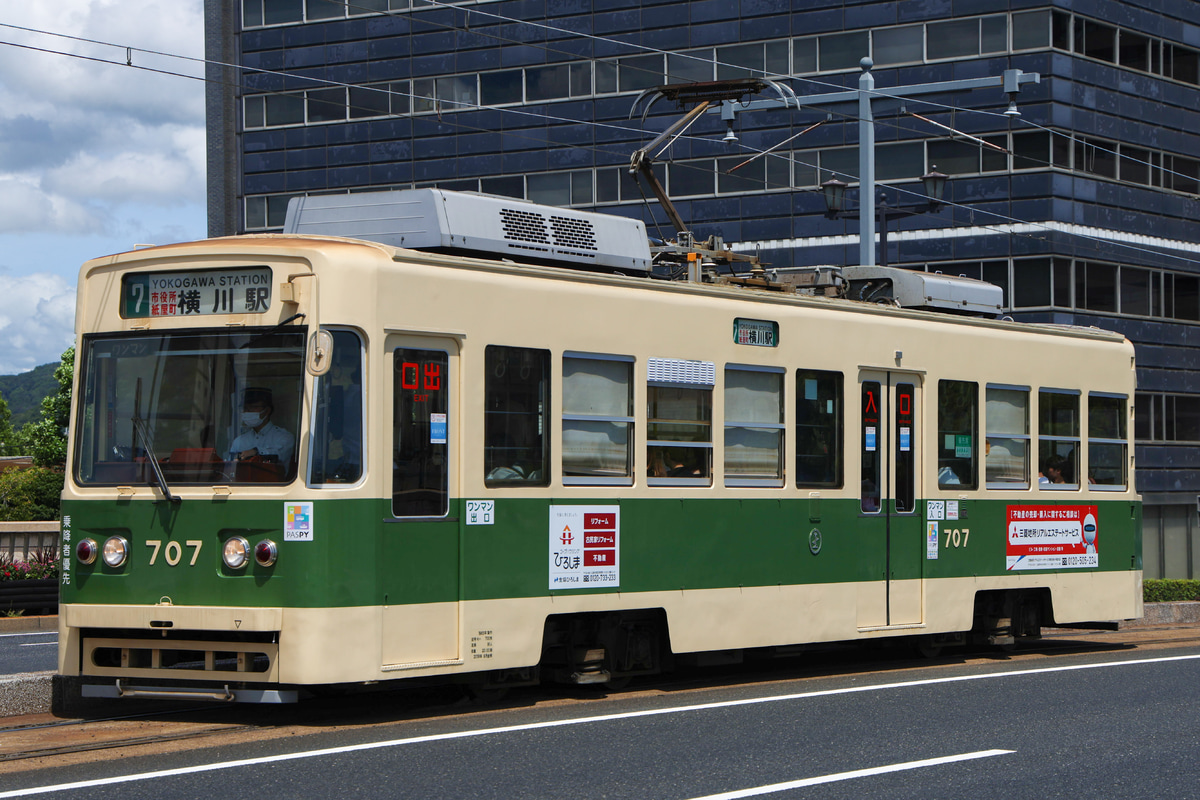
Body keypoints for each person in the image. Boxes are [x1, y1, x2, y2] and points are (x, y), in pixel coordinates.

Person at [228, 388, 294, 466]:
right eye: (245, 408)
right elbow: (230, 468)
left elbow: (279, 455)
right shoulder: (239, 441)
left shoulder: (283, 437)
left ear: (267, 410)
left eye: (254, 407)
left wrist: (256, 452)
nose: (248, 411)